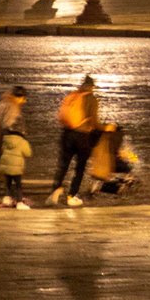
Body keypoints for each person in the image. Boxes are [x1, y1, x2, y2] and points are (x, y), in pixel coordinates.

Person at [49, 76, 100, 207]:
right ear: (92, 87)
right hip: (82, 136)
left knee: (64, 165)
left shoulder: (73, 96)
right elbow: (94, 121)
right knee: (80, 168)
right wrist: (107, 128)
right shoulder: (91, 99)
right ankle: (71, 196)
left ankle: (55, 191)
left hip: (67, 134)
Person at [0, 124, 32, 210]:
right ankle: (19, 202)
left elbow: (2, 149)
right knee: (18, 185)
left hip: (6, 165)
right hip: (16, 167)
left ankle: (7, 198)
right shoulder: (22, 141)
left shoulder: (6, 139)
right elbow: (28, 153)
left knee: (8, 183)